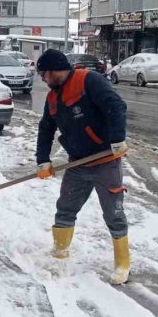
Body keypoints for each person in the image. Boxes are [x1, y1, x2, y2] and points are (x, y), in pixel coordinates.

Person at [35, 49, 131, 284]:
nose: (43, 80)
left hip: (105, 161)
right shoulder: (53, 97)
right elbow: (46, 128)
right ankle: (59, 252)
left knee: (113, 213)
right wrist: (43, 160)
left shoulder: (88, 80)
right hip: (77, 164)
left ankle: (122, 264)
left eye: (43, 75)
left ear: (54, 70)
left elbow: (116, 106)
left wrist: (117, 138)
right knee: (65, 208)